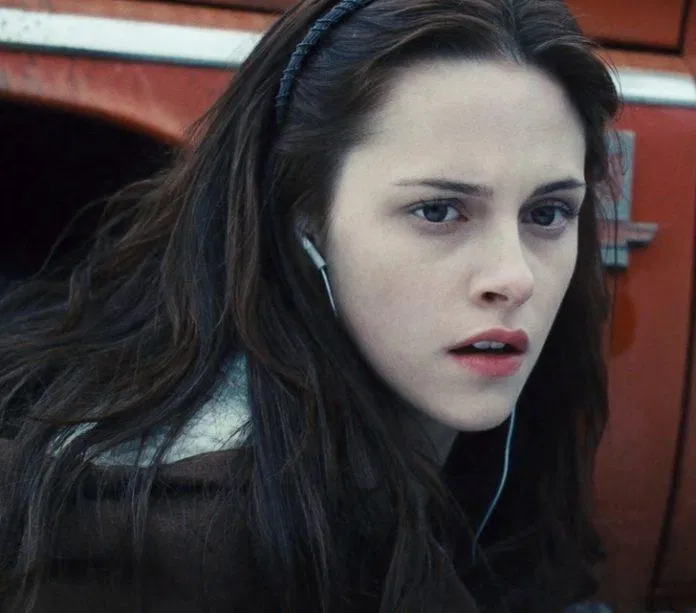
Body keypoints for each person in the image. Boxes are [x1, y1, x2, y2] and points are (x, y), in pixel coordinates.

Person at [0, 0, 620, 611]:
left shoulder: (490, 433)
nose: (515, 277)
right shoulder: (185, 538)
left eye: (547, 213)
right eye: (437, 211)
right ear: (305, 219)